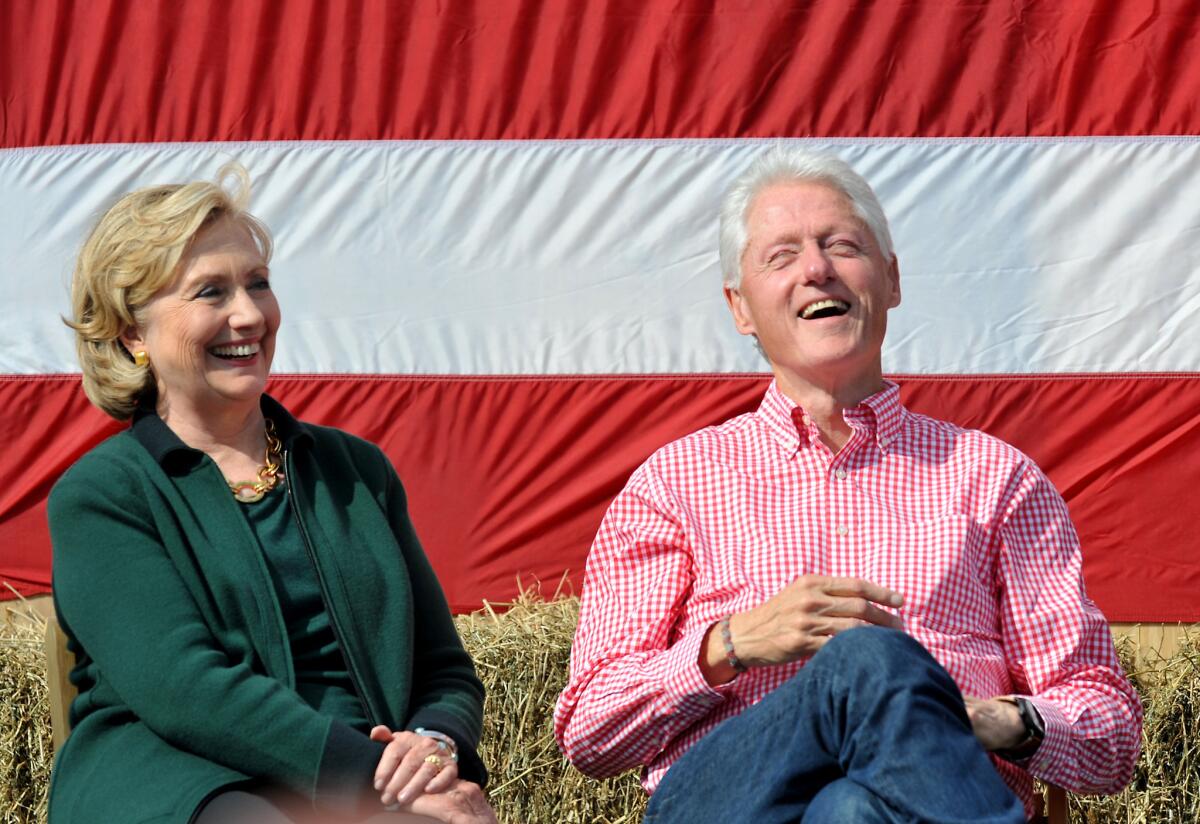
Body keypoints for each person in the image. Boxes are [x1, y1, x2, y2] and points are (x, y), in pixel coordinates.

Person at [554, 147, 1143, 823]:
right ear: (740, 308)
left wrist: (966, 718)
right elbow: (588, 730)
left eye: (842, 245)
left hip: (903, 810)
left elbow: (1111, 738)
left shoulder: (996, 479)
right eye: (783, 255)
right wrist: (733, 643)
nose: (816, 269)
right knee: (867, 659)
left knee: (850, 808)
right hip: (725, 804)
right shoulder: (675, 482)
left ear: (890, 281)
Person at [49, 167, 497, 824]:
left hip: (374, 785)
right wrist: (375, 783)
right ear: (131, 335)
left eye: (258, 283)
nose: (250, 314)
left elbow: (443, 667)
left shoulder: (356, 470)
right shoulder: (103, 495)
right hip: (185, 787)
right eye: (211, 292)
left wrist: (431, 749)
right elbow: (186, 692)